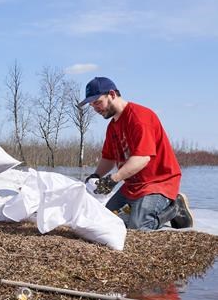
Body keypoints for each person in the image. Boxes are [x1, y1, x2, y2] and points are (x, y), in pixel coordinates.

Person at [79, 76, 193, 230]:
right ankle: (137, 210)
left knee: (138, 226)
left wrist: (114, 179)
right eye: (92, 105)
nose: (96, 108)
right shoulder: (112, 127)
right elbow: (108, 157)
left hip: (158, 183)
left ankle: (175, 208)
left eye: (98, 102)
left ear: (112, 94)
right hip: (132, 186)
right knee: (105, 220)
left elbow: (142, 158)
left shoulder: (140, 117)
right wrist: (96, 175)